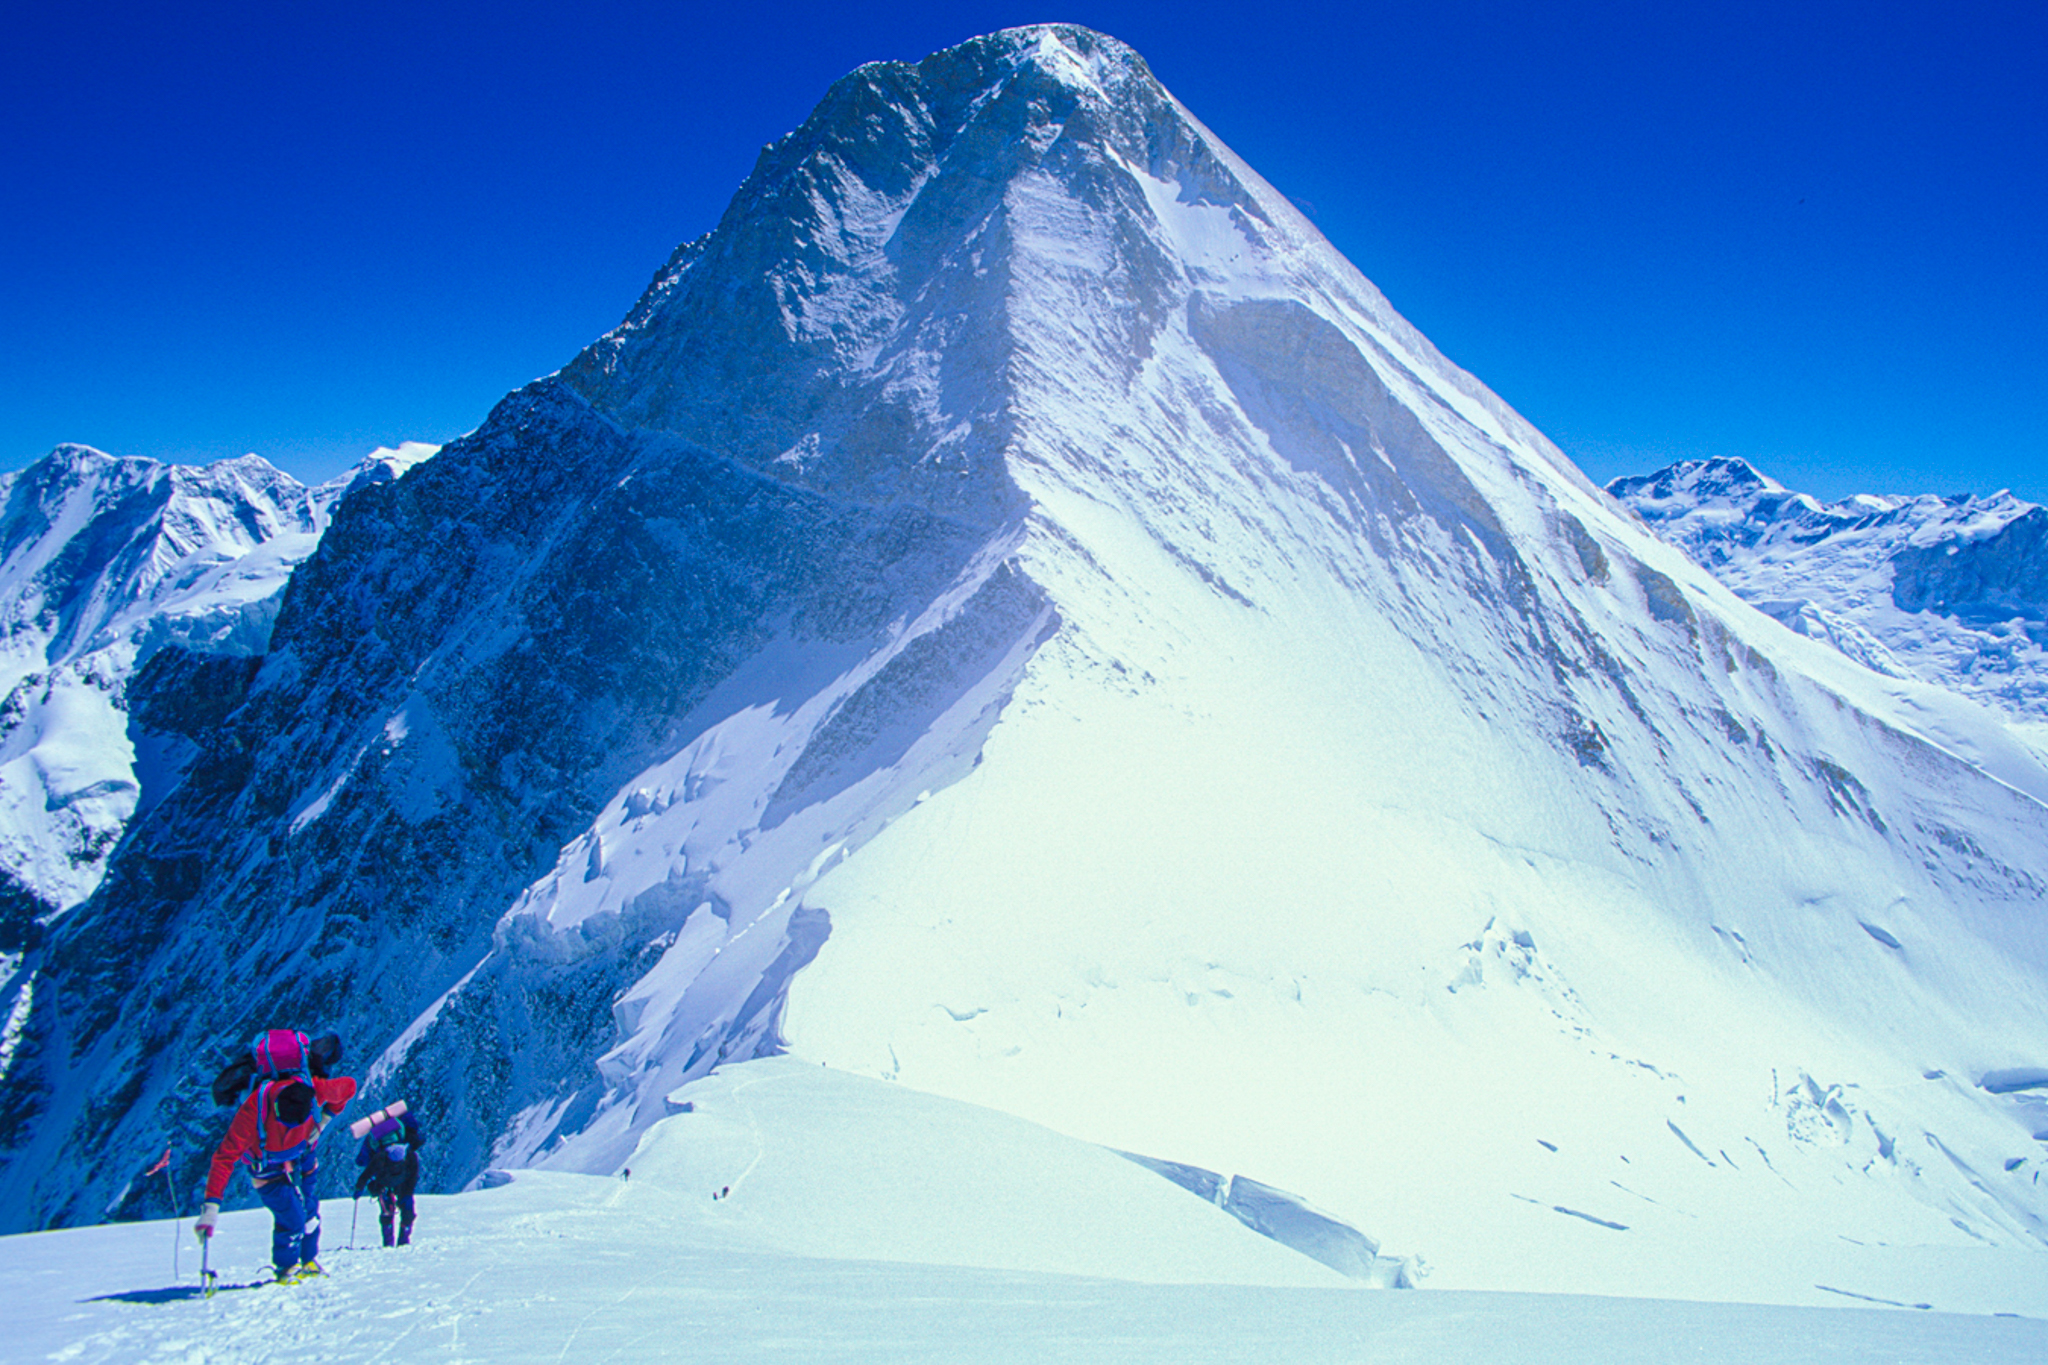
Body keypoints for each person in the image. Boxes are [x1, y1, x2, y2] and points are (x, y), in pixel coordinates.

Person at [194, 1030, 356, 1282]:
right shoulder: (312, 1090)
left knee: (307, 1213)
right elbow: (348, 1088)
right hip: (292, 1160)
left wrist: (211, 1208)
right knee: (295, 1217)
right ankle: (288, 1267)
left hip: (271, 1164)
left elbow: (225, 1156)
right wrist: (325, 1119)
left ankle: (305, 1262)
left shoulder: (257, 1105)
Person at [353, 1108, 423, 1246]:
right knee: (407, 1209)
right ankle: (404, 1240)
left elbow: (366, 1173)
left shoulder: (380, 1158)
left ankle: (388, 1242)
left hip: (384, 1180)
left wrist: (359, 1189)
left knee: (386, 1209)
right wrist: (407, 1194)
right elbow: (412, 1178)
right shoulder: (410, 1157)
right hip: (402, 1179)